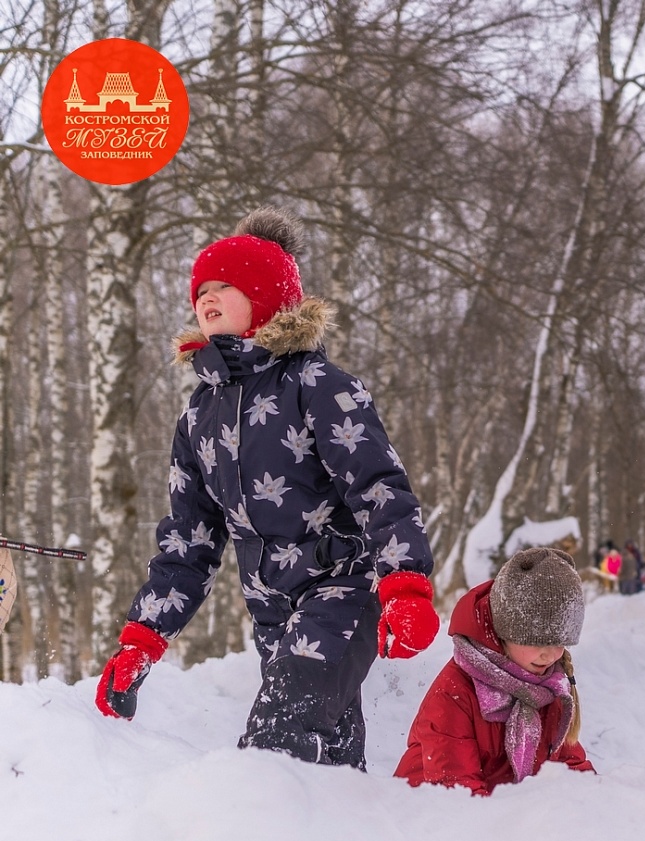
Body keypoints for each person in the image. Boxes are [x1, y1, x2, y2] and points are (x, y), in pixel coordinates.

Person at [94, 208, 437, 768]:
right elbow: (189, 540)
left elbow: (379, 488)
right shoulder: (198, 415)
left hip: (343, 588)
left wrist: (406, 585)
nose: (207, 297)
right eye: (201, 289)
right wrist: (143, 639)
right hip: (270, 605)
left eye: (225, 286)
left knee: (277, 738)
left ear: (266, 297)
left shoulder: (319, 386)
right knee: (322, 758)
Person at [395, 547, 594, 793]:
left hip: (501, 817)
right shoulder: (455, 694)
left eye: (560, 642)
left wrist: (594, 805)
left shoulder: (549, 688)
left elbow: (570, 767)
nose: (550, 654)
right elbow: (456, 794)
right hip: (427, 815)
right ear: (505, 633)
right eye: (536, 642)